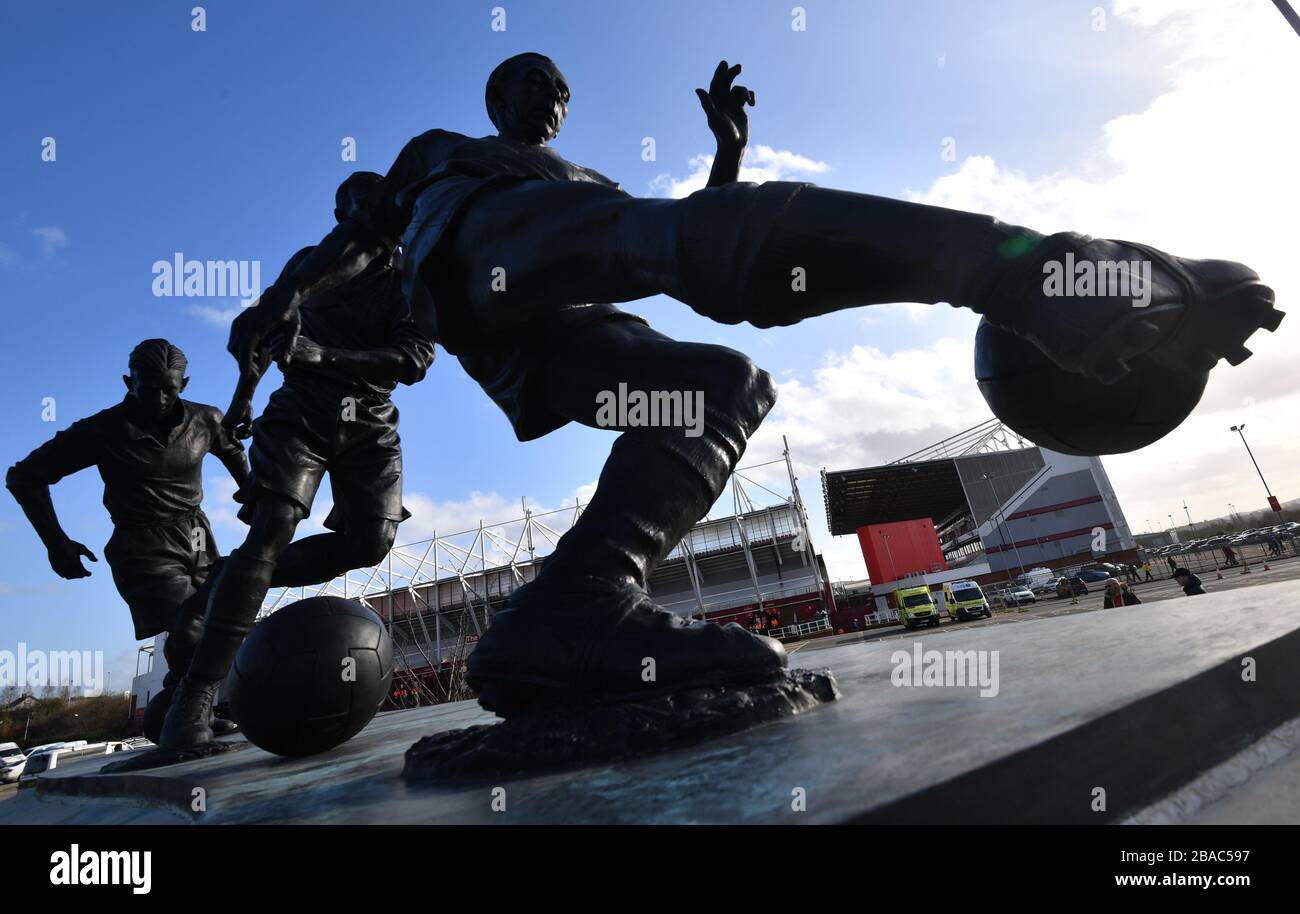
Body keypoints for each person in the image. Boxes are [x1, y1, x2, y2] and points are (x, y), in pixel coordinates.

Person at [224, 53, 1278, 724]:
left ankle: (574, 609)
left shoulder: (585, 185)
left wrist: (726, 157)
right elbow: (354, 237)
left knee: (718, 383)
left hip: (556, 334)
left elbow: (676, 241)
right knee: (673, 244)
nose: (549, 95)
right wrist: (282, 305)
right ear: (497, 99)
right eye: (531, 83)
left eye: (560, 88)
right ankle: (1018, 270)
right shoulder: (446, 156)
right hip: (478, 263)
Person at [157, 175, 435, 749]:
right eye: (350, 214)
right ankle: (197, 695)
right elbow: (264, 335)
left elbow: (412, 359)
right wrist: (243, 399)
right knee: (273, 528)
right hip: (302, 411)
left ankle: (223, 581)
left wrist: (326, 353)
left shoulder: (413, 276)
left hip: (371, 419)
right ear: (338, 217)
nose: (363, 224)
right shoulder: (311, 265)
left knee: (368, 543)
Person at [6, 340, 248, 740]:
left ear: (183, 384)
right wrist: (56, 542)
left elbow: (233, 451)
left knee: (220, 629)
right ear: (128, 382)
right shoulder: (103, 429)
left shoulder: (205, 419)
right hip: (142, 546)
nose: (158, 397)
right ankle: (184, 722)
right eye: (147, 387)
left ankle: (172, 710)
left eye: (168, 388)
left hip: (198, 537)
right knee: (189, 630)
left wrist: (252, 494)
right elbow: (24, 476)